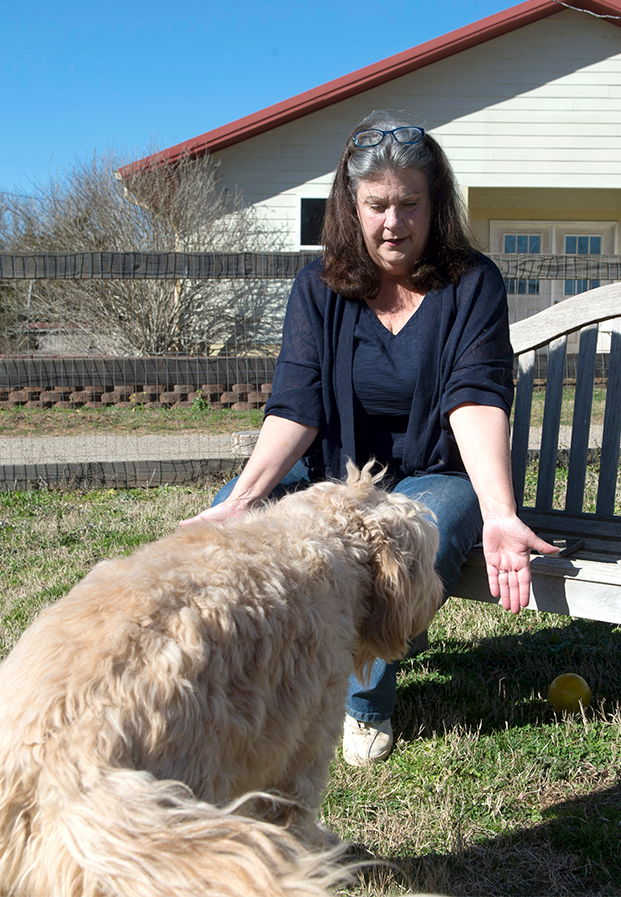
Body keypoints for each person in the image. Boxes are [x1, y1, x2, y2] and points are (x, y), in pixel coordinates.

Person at [181, 110, 558, 766]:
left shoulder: (472, 284)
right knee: (233, 529)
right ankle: (251, 683)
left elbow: (475, 398)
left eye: (411, 204)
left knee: (400, 538)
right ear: (350, 205)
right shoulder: (318, 287)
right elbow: (296, 406)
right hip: (335, 470)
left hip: (438, 473)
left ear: (435, 205)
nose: (394, 222)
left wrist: (499, 514)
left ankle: (360, 703)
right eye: (378, 205)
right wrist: (242, 498)